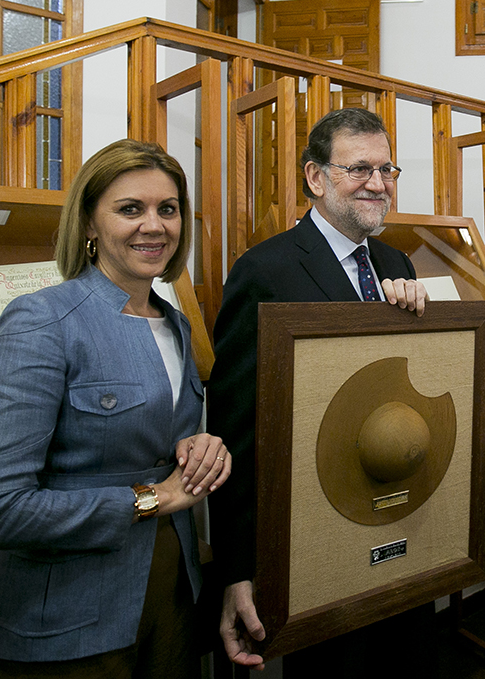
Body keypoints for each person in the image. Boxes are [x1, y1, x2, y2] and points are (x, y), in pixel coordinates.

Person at [0, 139, 231, 678]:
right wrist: (154, 498)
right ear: (88, 222)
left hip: (171, 599)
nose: (153, 225)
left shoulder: (175, 323)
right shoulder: (43, 321)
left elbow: (160, 444)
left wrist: (203, 445)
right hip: (69, 619)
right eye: (130, 209)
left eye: (167, 209)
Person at [206, 107, 428, 673]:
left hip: (389, 516)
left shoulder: (396, 262)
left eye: (387, 169)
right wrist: (238, 567)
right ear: (315, 177)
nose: (378, 184)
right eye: (359, 169)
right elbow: (235, 427)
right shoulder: (265, 270)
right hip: (311, 533)